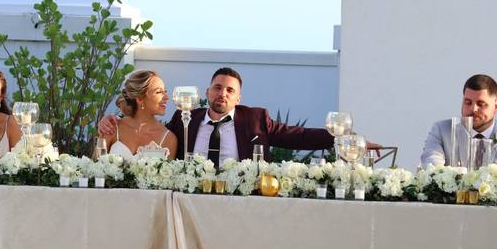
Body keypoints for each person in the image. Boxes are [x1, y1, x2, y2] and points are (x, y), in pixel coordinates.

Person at [99, 67, 334, 165]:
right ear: (208, 91)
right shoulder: (184, 120)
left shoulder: (255, 121)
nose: (223, 93)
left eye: (230, 90)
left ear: (238, 98)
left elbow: (299, 136)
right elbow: (142, 127)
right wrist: (109, 121)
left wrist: (342, 140)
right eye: (218, 87)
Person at [420, 73, 497, 172]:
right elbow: (432, 166)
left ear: (496, 106)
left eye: (481, 104)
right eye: (468, 102)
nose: (473, 109)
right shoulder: (442, 130)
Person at [102, 70, 177, 161]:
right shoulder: (112, 127)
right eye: (158, 92)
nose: (166, 97)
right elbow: (93, 167)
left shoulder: (168, 138)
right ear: (140, 99)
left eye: (165, 91)